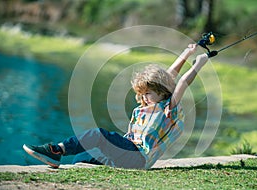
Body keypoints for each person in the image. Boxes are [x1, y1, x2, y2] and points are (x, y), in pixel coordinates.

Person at [23, 43, 208, 169]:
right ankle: (62, 158)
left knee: (98, 135)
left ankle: (56, 150)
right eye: (142, 93)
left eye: (148, 93)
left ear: (162, 92)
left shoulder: (168, 109)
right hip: (126, 153)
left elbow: (181, 82)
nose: (144, 97)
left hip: (137, 157)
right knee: (82, 159)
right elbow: (169, 75)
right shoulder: (147, 105)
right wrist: (187, 52)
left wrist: (199, 63)